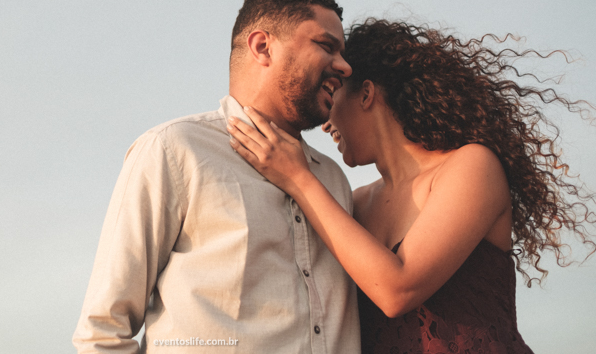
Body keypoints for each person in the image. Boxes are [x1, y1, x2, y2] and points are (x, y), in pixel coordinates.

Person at [227, 19, 595, 354]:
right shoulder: (353, 203)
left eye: (335, 91)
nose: (325, 123)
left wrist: (297, 177)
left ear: (367, 94)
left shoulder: (471, 166)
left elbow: (397, 290)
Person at [73, 0, 361, 353]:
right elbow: (102, 332)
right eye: (326, 46)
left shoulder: (333, 181)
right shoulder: (174, 150)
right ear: (262, 47)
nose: (345, 66)